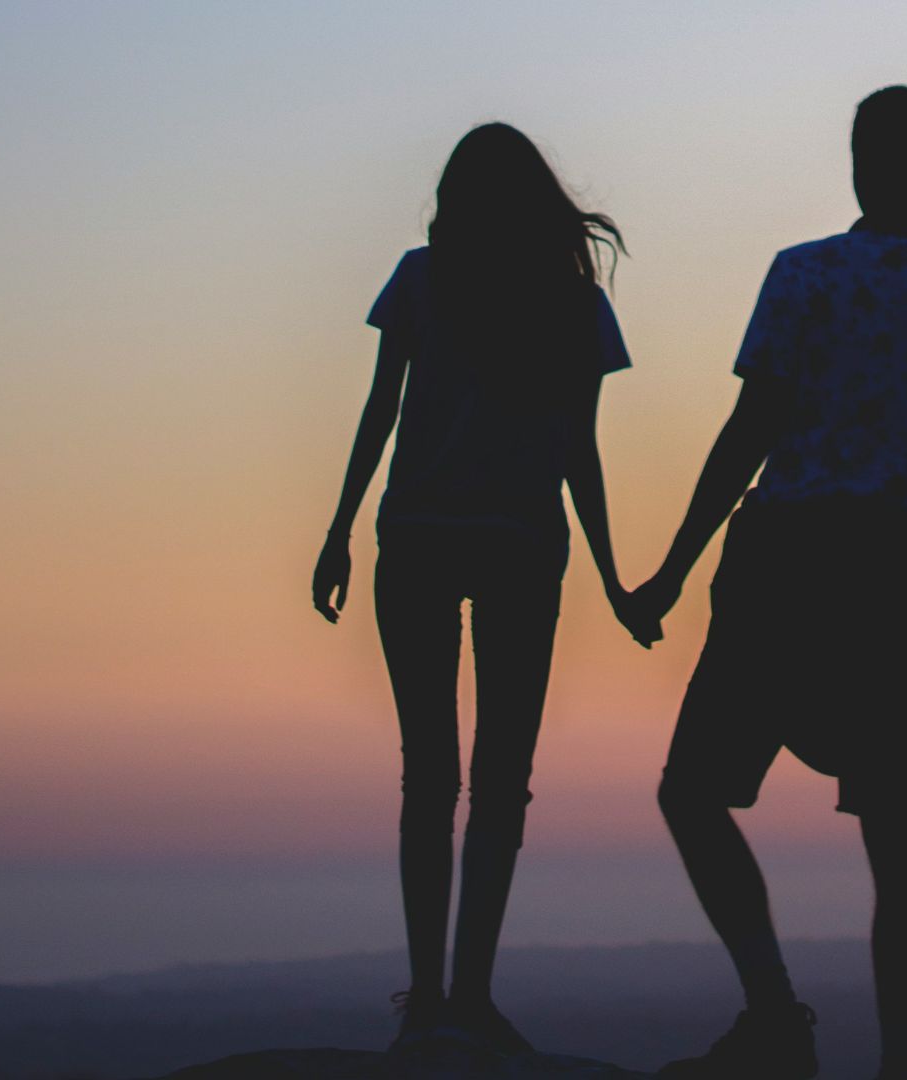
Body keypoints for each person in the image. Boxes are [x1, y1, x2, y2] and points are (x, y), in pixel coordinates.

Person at [629, 86, 907, 1080]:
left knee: (693, 793)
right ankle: (897, 1069)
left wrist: (670, 570)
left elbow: (750, 434)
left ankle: (775, 1010)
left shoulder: (803, 277)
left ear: (859, 167)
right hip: (903, 581)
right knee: (898, 849)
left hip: (787, 566)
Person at [311, 122, 655, 1056]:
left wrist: (340, 530)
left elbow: (381, 412)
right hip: (519, 547)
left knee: (432, 775)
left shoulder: (424, 277)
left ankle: (432, 996)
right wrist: (617, 582)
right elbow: (578, 453)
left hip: (418, 538)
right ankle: (466, 994)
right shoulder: (571, 303)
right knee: (500, 783)